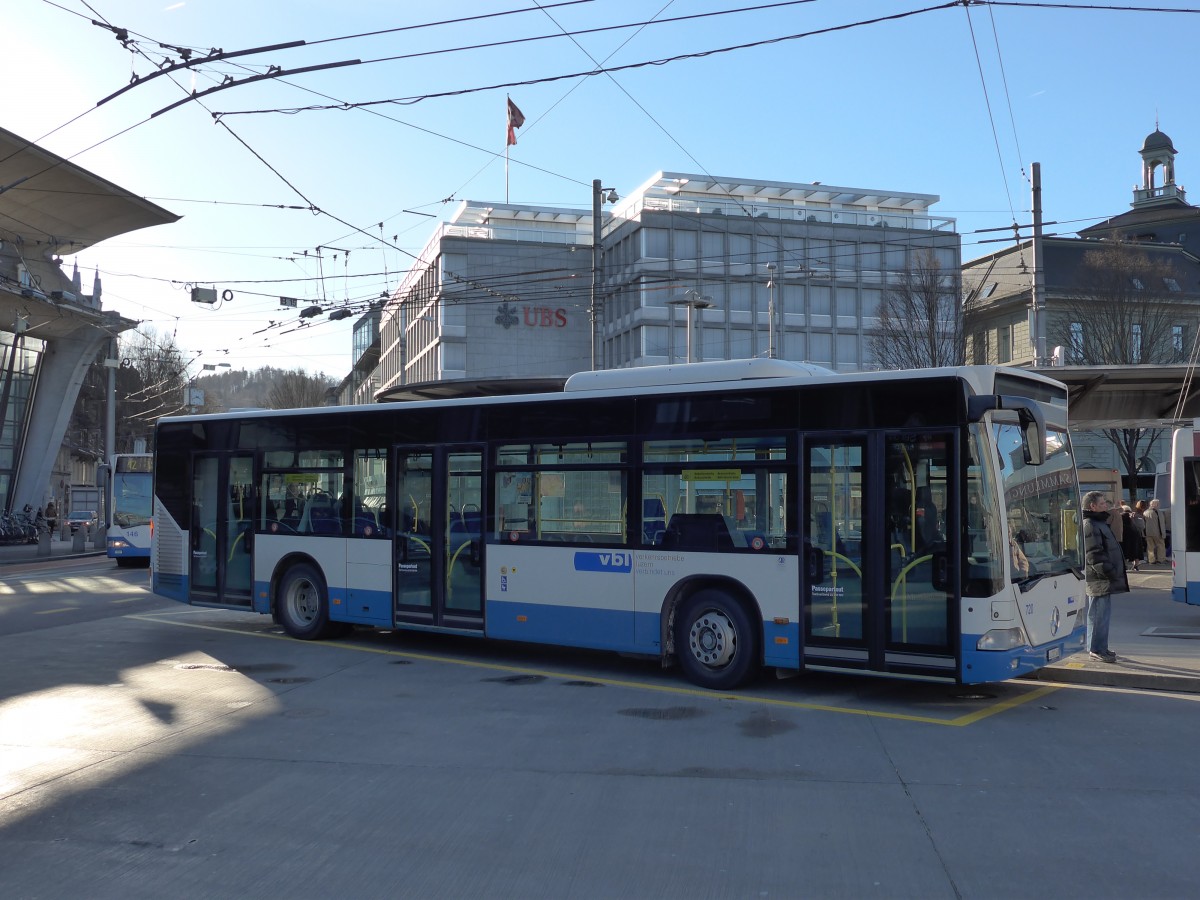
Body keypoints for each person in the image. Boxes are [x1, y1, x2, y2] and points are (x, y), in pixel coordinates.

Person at [1082, 491, 1128, 663]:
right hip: (1099, 578)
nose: (1105, 506)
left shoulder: (1097, 522)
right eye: (1102, 504)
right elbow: (1093, 554)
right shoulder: (1091, 524)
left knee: (1102, 615)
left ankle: (1101, 647)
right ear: (1092, 506)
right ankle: (1096, 649)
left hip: (1102, 577)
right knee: (1098, 615)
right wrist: (1109, 571)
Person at [1121, 503, 1144, 572]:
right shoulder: (1136, 515)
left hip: (1125, 535)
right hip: (1136, 534)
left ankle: (1124, 565)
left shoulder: (1121, 516)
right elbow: (1142, 526)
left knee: (1125, 550)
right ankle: (1135, 566)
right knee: (1136, 551)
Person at [1145, 498, 1167, 565]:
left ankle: (1151, 560)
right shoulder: (1158, 512)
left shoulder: (1145, 512)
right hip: (1157, 532)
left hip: (1148, 532)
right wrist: (1163, 533)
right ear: (1156, 505)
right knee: (1160, 546)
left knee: (1150, 547)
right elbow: (1161, 524)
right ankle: (1161, 559)